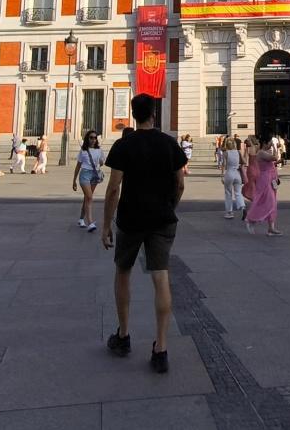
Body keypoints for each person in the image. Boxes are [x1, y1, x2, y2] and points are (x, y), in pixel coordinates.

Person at [102, 93, 187, 374]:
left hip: (130, 219)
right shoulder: (169, 143)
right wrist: (170, 206)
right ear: (154, 113)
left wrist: (105, 224)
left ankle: (124, 335)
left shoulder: (124, 145)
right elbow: (180, 183)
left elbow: (113, 188)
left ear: (133, 115)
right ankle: (161, 348)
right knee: (161, 277)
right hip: (162, 219)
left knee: (123, 271)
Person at [245, 136, 281, 235]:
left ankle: (271, 227)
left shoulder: (265, 153)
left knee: (273, 203)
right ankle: (250, 218)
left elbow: (273, 161)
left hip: (271, 179)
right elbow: (275, 157)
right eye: (270, 142)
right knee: (268, 202)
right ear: (265, 143)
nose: (270, 144)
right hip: (264, 180)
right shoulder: (261, 153)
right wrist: (275, 147)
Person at [72, 130, 105, 231]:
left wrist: (101, 162)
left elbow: (102, 163)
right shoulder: (83, 150)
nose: (93, 140)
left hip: (95, 175)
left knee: (87, 198)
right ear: (87, 138)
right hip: (85, 174)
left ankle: (81, 219)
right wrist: (74, 181)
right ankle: (90, 222)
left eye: (95, 138)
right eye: (91, 137)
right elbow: (78, 166)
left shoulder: (99, 150)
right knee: (89, 197)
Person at [221, 136, 244, 219]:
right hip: (237, 173)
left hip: (229, 173)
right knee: (238, 193)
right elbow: (244, 162)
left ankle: (229, 212)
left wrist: (222, 175)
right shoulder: (238, 152)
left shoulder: (226, 153)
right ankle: (242, 207)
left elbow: (224, 164)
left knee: (228, 193)